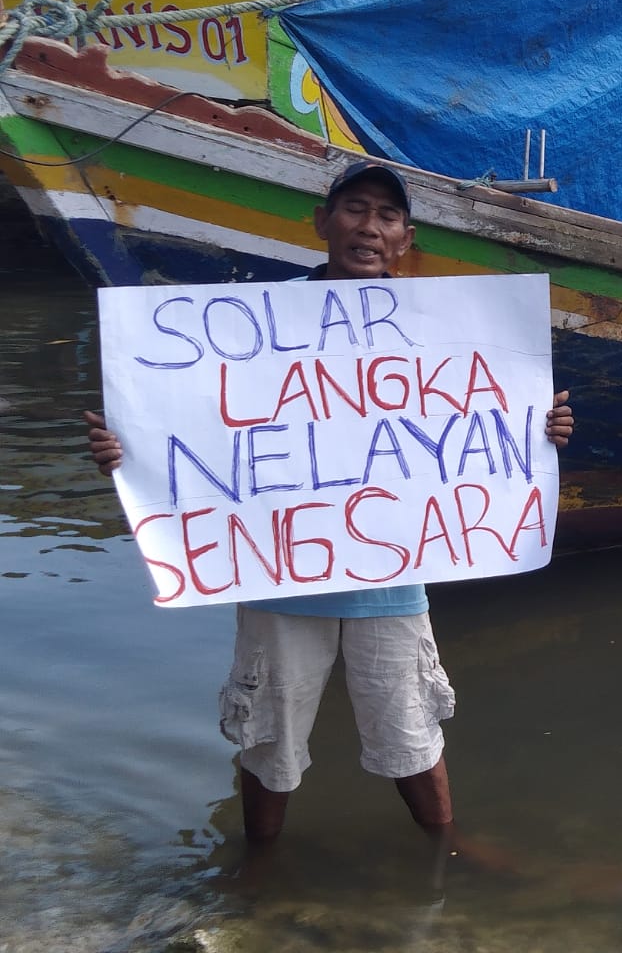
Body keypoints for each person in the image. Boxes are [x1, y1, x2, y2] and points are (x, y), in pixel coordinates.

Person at [84, 160, 575, 845]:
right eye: (354, 209)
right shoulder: (249, 322)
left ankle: (446, 852)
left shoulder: (447, 329)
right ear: (322, 222)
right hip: (277, 575)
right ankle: (257, 867)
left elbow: (486, 426)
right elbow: (183, 419)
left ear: (406, 237)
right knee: (269, 745)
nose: (369, 227)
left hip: (392, 580)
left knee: (412, 733)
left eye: (386, 215)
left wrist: (543, 433)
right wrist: (125, 451)